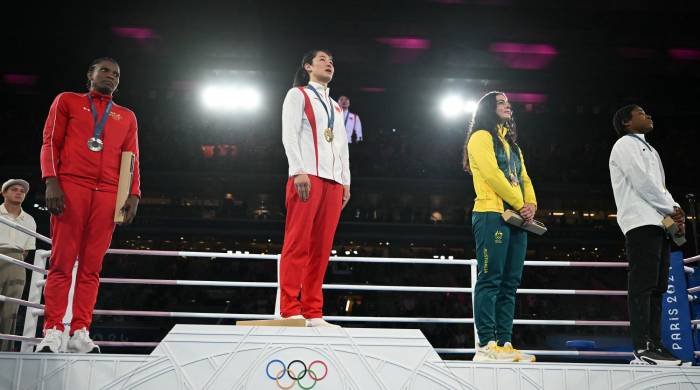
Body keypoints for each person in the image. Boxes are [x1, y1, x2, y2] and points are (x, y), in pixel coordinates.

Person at [35, 57, 141, 353]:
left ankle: (80, 329)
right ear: (90, 75)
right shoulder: (67, 101)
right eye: (104, 70)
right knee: (62, 262)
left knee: (92, 267)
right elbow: (50, 142)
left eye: (116, 73)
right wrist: (51, 180)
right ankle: (53, 328)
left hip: (108, 193)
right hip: (72, 185)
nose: (111, 76)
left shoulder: (126, 115)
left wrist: (133, 193)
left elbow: (131, 158)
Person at [463, 91, 536, 362]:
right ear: (488, 109)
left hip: (517, 218)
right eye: (501, 102)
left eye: (508, 102)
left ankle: (504, 343)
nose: (508, 106)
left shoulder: (513, 146)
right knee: (490, 278)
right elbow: (493, 175)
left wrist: (531, 205)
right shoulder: (480, 138)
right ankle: (486, 344)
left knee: (510, 283)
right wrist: (520, 203)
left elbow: (524, 178)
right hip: (491, 213)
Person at [279, 49, 351, 327]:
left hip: (333, 181)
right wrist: (297, 170)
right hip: (307, 175)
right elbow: (289, 134)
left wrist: (346, 180)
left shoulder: (336, 106)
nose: (329, 63)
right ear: (307, 66)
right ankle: (289, 308)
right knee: (298, 243)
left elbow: (342, 145)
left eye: (332, 60)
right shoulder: (297, 95)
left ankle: (313, 311)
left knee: (322, 248)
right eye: (322, 59)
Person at [609, 104, 684, 365]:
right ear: (627, 122)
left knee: (658, 286)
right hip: (639, 222)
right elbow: (643, 182)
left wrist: (674, 210)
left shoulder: (650, 148)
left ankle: (655, 343)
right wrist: (671, 208)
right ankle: (642, 347)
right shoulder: (624, 145)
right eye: (641, 113)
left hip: (658, 222)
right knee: (643, 285)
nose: (649, 115)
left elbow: (659, 186)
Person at [0, 179, 37, 351]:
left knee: (11, 311)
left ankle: (5, 352)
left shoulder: (29, 220)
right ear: (4, 193)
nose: (19, 192)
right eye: (14, 189)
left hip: (17, 261)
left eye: (22, 190)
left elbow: (27, 251)